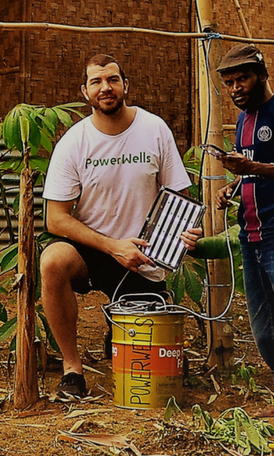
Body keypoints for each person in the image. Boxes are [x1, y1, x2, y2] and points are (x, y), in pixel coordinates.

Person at [180, 43, 274, 431]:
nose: (235, 88)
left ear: (262, 75)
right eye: (229, 83)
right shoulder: (244, 120)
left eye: (242, 79)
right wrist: (232, 185)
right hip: (250, 234)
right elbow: (252, 170)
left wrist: (254, 167)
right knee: (264, 324)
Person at [39, 54, 191, 401]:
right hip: (92, 249)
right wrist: (112, 246)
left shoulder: (154, 129)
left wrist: (185, 232)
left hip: (143, 252)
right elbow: (55, 218)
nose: (105, 87)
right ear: (85, 91)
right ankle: (72, 369)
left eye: (112, 80)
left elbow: (178, 198)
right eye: (96, 81)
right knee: (52, 261)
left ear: (126, 85)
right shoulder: (74, 142)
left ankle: (119, 328)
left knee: (155, 368)